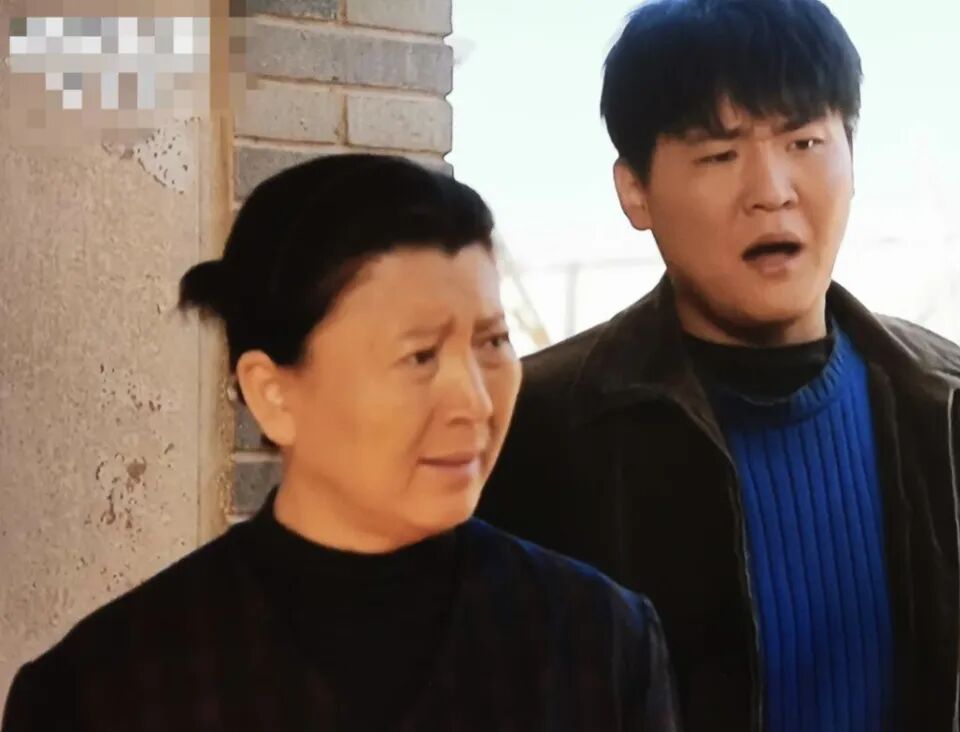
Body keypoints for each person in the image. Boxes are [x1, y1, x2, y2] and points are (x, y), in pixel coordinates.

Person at [477, 1, 960, 730]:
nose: (771, 191)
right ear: (635, 190)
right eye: (719, 155)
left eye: (804, 141)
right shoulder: (539, 430)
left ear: (852, 154)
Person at [2, 154, 681, 731]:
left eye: (492, 342)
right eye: (419, 355)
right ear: (272, 393)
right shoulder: (105, 689)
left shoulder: (599, 642)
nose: (474, 401)